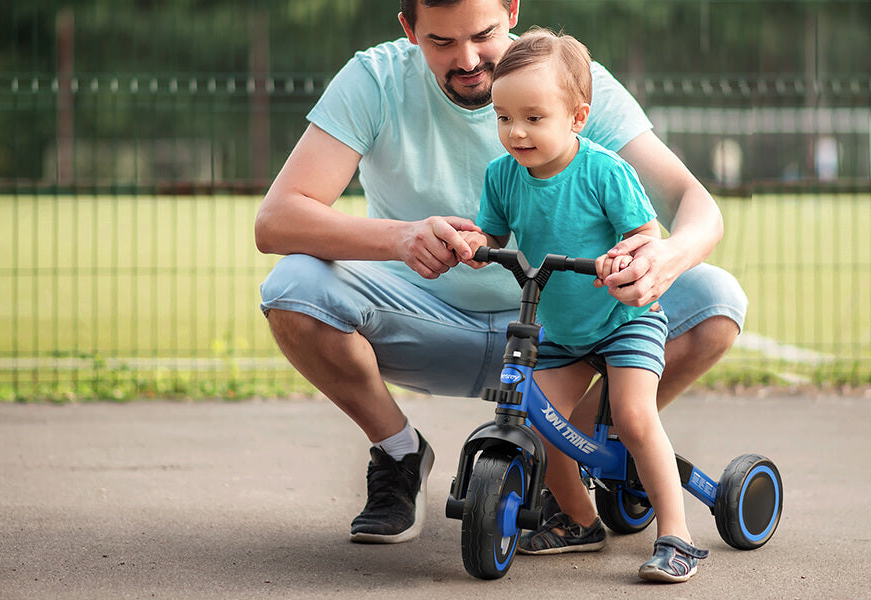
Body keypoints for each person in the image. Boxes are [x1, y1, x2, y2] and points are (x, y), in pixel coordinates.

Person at [254, 0, 746, 550]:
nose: (467, 60)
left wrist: (663, 259)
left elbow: (695, 205)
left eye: (483, 34)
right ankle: (398, 453)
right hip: (429, 320)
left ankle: (576, 461)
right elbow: (275, 222)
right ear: (408, 28)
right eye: (440, 42)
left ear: (511, 10)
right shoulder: (374, 79)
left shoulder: (570, 80)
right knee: (292, 286)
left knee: (716, 300)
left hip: (568, 326)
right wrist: (401, 238)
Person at [455, 27, 707, 582]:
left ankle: (677, 535)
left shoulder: (604, 171)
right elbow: (492, 236)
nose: (515, 132)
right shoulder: (502, 177)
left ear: (576, 116)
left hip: (624, 320)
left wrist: (626, 256)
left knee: (637, 417)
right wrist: (477, 248)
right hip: (563, 327)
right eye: (503, 118)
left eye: (533, 118)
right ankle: (580, 520)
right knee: (541, 421)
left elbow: (646, 235)